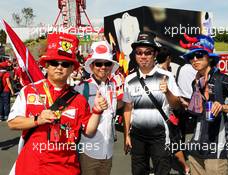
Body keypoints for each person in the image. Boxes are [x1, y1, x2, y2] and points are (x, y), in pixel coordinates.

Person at [7, 33, 108, 175]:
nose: (59, 67)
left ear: (72, 69)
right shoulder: (30, 91)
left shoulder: (78, 99)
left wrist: (97, 111)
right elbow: (12, 123)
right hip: (33, 167)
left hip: (66, 168)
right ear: (46, 65)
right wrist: (37, 120)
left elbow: (89, 132)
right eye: (54, 62)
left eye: (65, 64)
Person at [180, 34, 228, 175]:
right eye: (191, 57)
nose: (194, 60)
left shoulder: (223, 79)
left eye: (199, 55)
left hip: (217, 147)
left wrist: (223, 107)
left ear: (209, 57)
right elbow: (196, 110)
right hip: (196, 146)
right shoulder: (196, 83)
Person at [123, 31, 181, 175]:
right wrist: (126, 135)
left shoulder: (166, 76)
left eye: (148, 52)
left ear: (155, 54)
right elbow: (128, 108)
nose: (143, 56)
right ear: (135, 55)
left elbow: (176, 105)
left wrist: (167, 92)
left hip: (160, 136)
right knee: (138, 172)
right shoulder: (129, 79)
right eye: (139, 52)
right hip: (137, 136)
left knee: (162, 172)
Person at [74, 40, 122, 175]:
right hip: (88, 152)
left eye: (107, 63)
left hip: (108, 151)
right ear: (92, 66)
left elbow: (115, 109)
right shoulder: (81, 88)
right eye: (99, 63)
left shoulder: (113, 86)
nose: (103, 67)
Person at [156, 45, 190, 174]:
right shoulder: (167, 74)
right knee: (176, 142)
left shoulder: (153, 72)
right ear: (168, 58)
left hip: (155, 116)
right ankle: (184, 168)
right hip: (168, 115)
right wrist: (184, 103)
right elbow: (175, 98)